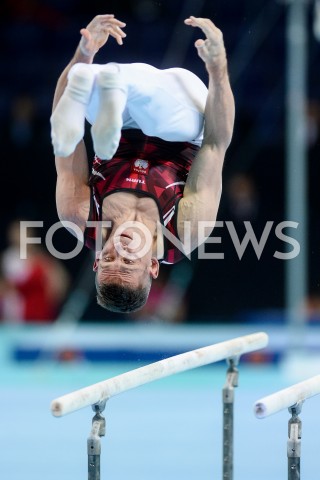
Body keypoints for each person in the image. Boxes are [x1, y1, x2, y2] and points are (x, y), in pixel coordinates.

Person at [50, 14, 235, 313]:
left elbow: (64, 117)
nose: (120, 250)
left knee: (76, 111)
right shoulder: (186, 231)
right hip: (184, 119)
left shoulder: (79, 215)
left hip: (120, 125)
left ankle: (108, 86)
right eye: (128, 261)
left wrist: (84, 52)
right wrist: (218, 69)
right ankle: (115, 84)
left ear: (97, 260)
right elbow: (216, 142)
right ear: (152, 266)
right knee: (157, 115)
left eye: (109, 259)